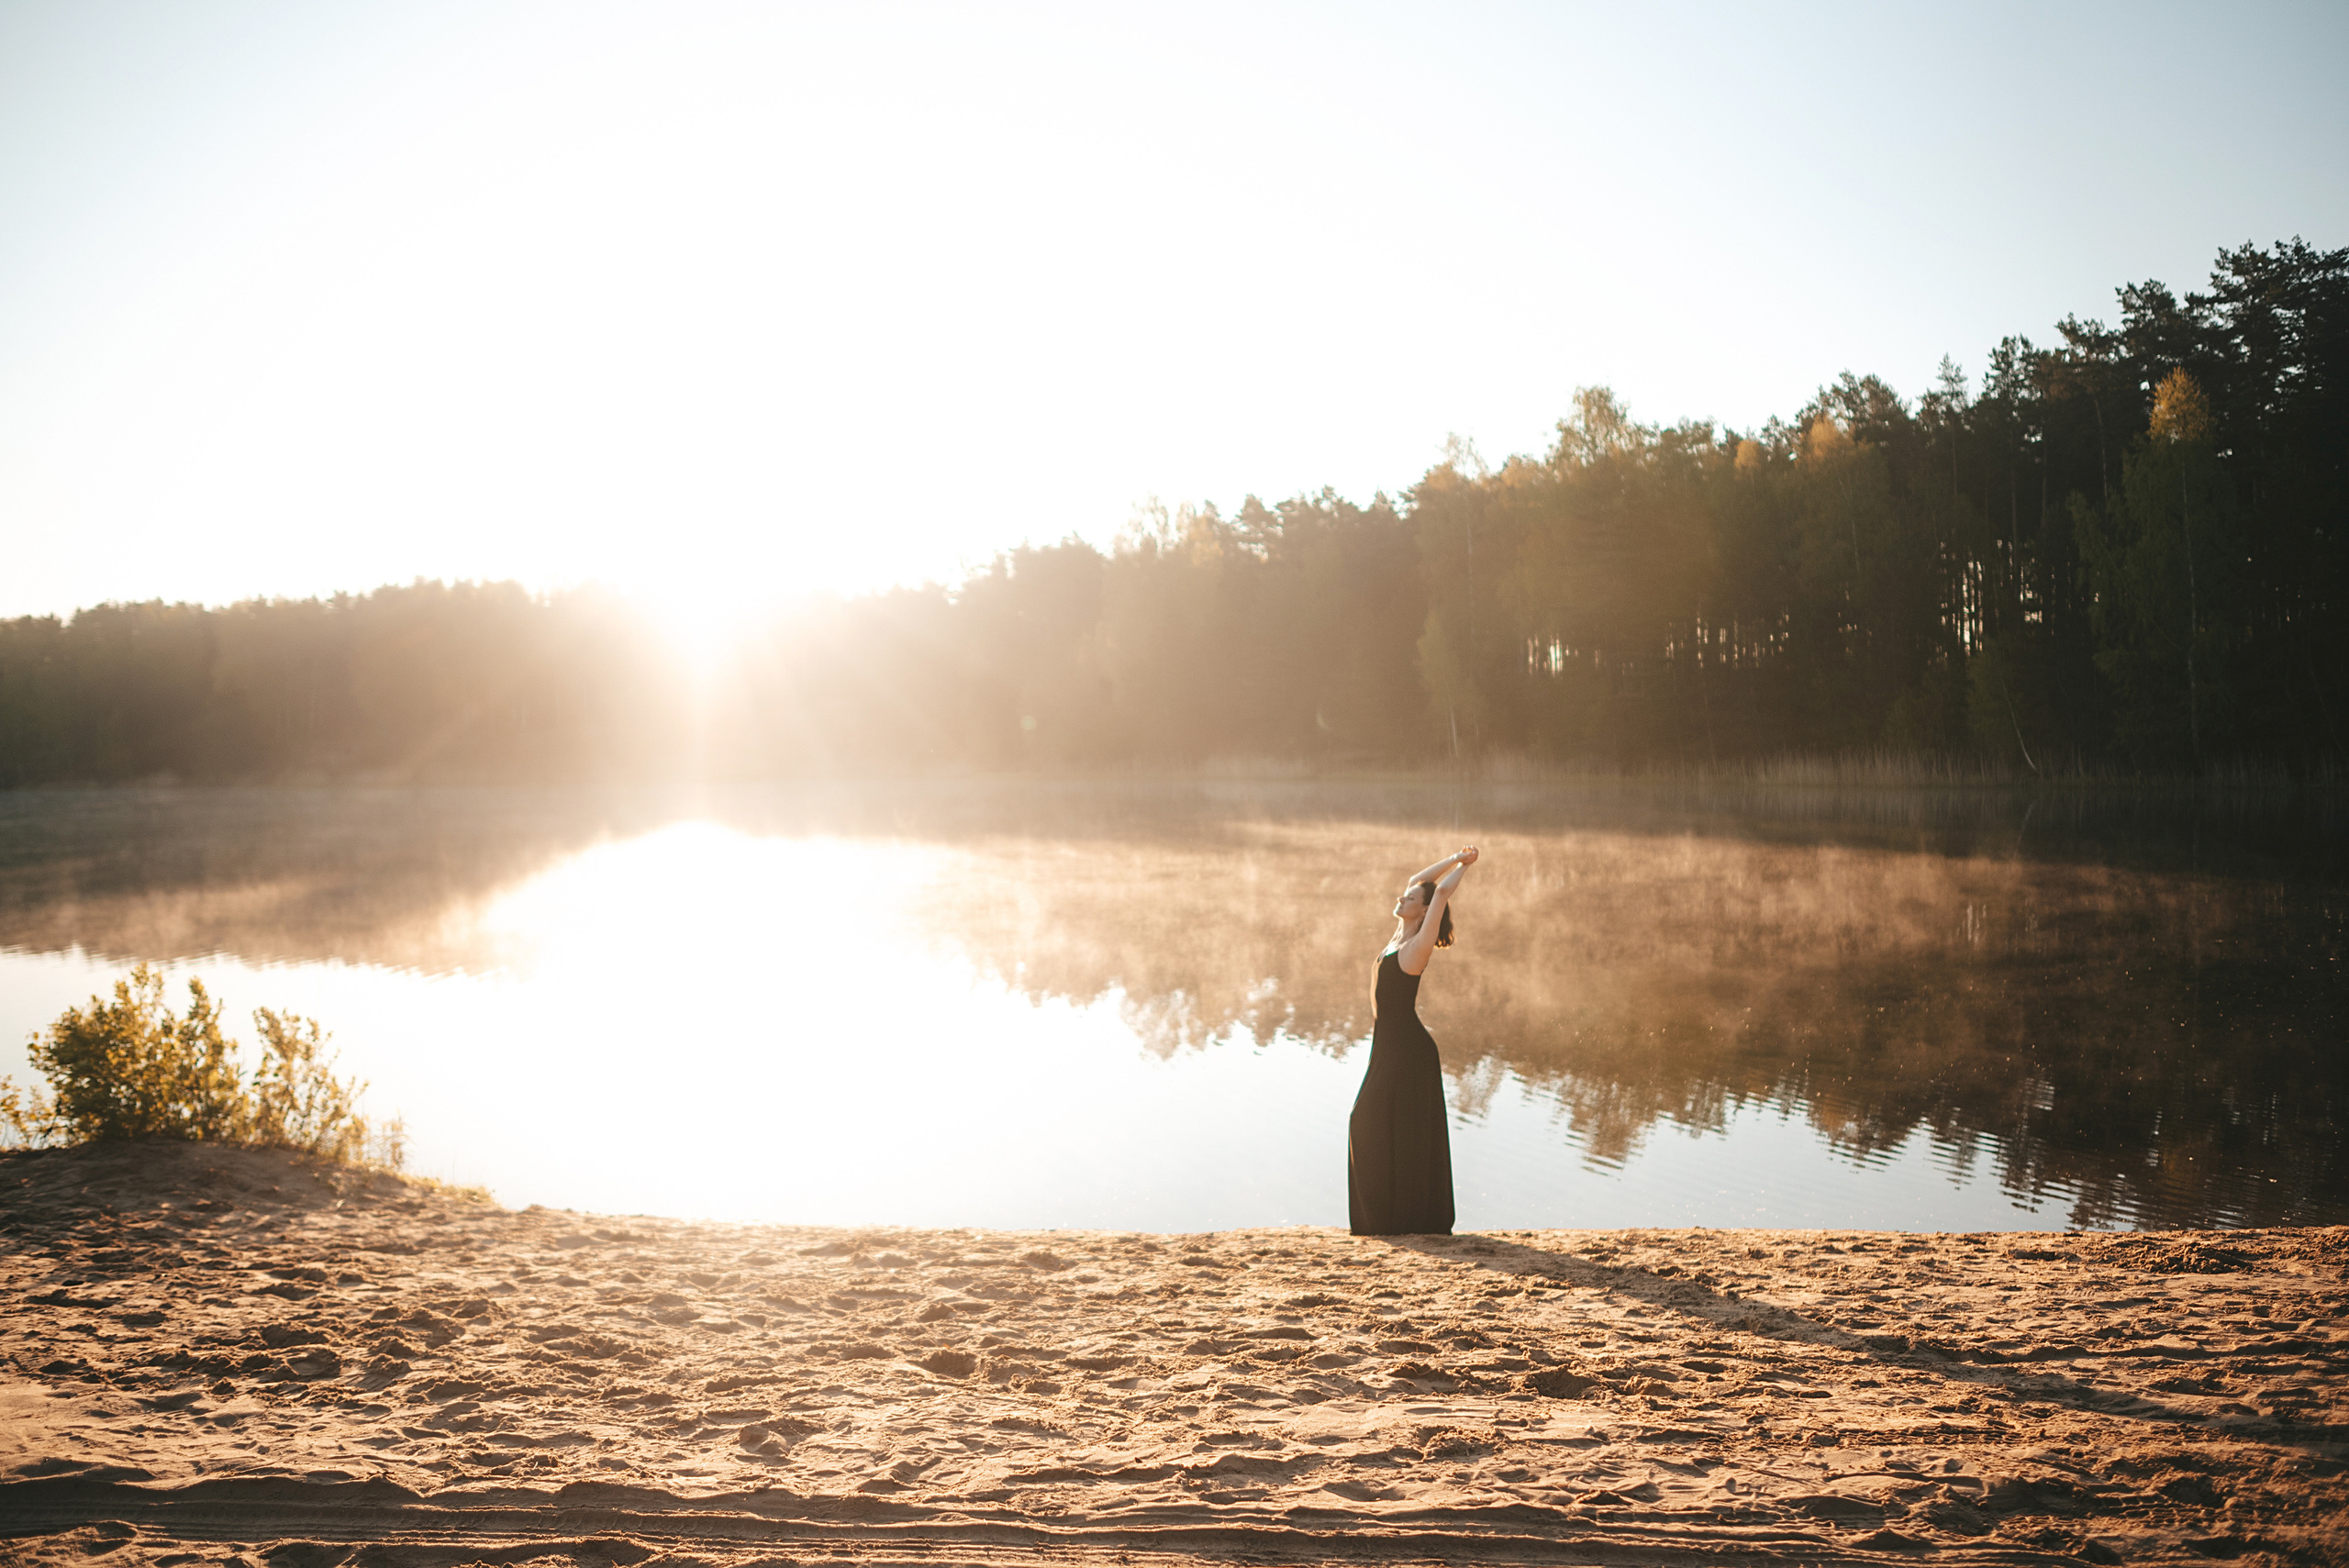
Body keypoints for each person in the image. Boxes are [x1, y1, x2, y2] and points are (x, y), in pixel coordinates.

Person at [1348, 845, 1477, 1236]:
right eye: (1404, 896)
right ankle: (1388, 1221)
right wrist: (1453, 857)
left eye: (1410, 900)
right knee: (1385, 1127)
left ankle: (1392, 1221)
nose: (1402, 898)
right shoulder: (1397, 937)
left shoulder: (1417, 947)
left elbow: (1440, 892)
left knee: (1368, 1121)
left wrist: (1465, 867)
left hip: (1408, 1052)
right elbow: (1418, 881)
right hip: (1387, 1046)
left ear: (1423, 912)